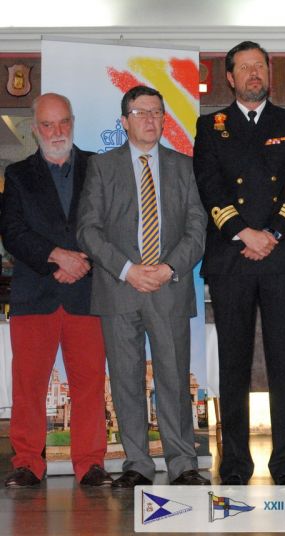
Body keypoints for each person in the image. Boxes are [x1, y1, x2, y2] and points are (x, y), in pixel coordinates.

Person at [77, 85, 208, 487]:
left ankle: (183, 463)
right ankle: (137, 464)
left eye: (157, 113)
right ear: (124, 121)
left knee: (174, 378)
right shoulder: (102, 167)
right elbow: (88, 229)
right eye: (141, 113)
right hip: (119, 288)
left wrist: (169, 268)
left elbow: (197, 227)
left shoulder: (185, 166)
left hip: (170, 288)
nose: (150, 120)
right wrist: (127, 269)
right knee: (125, 380)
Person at [193, 40, 285, 486]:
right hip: (232, 257)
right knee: (233, 364)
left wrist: (272, 233)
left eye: (260, 66)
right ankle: (236, 464)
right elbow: (209, 186)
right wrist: (244, 232)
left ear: (269, 72)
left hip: (281, 256)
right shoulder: (210, 126)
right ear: (230, 77)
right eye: (245, 67)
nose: (254, 73)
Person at [0, 93, 110, 488]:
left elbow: (112, 225)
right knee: (28, 385)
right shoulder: (17, 174)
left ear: (73, 122)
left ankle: (91, 464)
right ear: (35, 129)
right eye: (47, 124)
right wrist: (56, 257)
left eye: (63, 122)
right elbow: (12, 232)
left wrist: (83, 261)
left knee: (90, 383)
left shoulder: (99, 167)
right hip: (35, 294)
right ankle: (28, 463)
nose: (56, 131)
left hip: (88, 292)